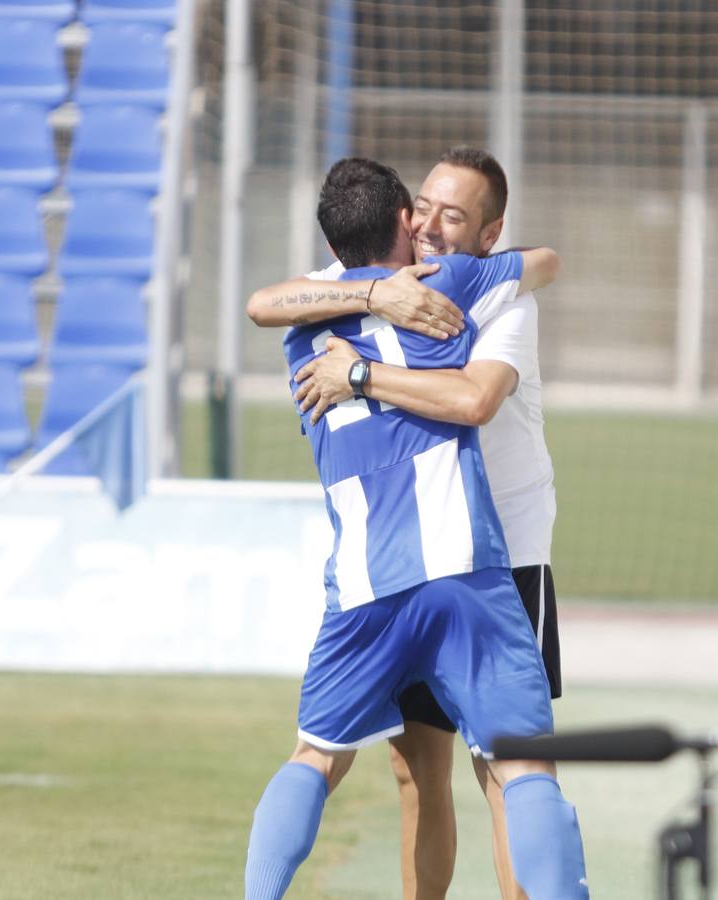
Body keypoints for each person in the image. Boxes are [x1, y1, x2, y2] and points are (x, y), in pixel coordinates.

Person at [242, 157, 587, 900]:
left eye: (450, 217)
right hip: (468, 561)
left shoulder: (318, 312)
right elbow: (549, 261)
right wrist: (379, 295)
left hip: (400, 572)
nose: (430, 225)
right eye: (422, 210)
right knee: (481, 770)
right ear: (401, 219)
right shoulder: (448, 284)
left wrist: (355, 369)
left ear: (489, 231)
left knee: (325, 757)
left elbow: (264, 304)